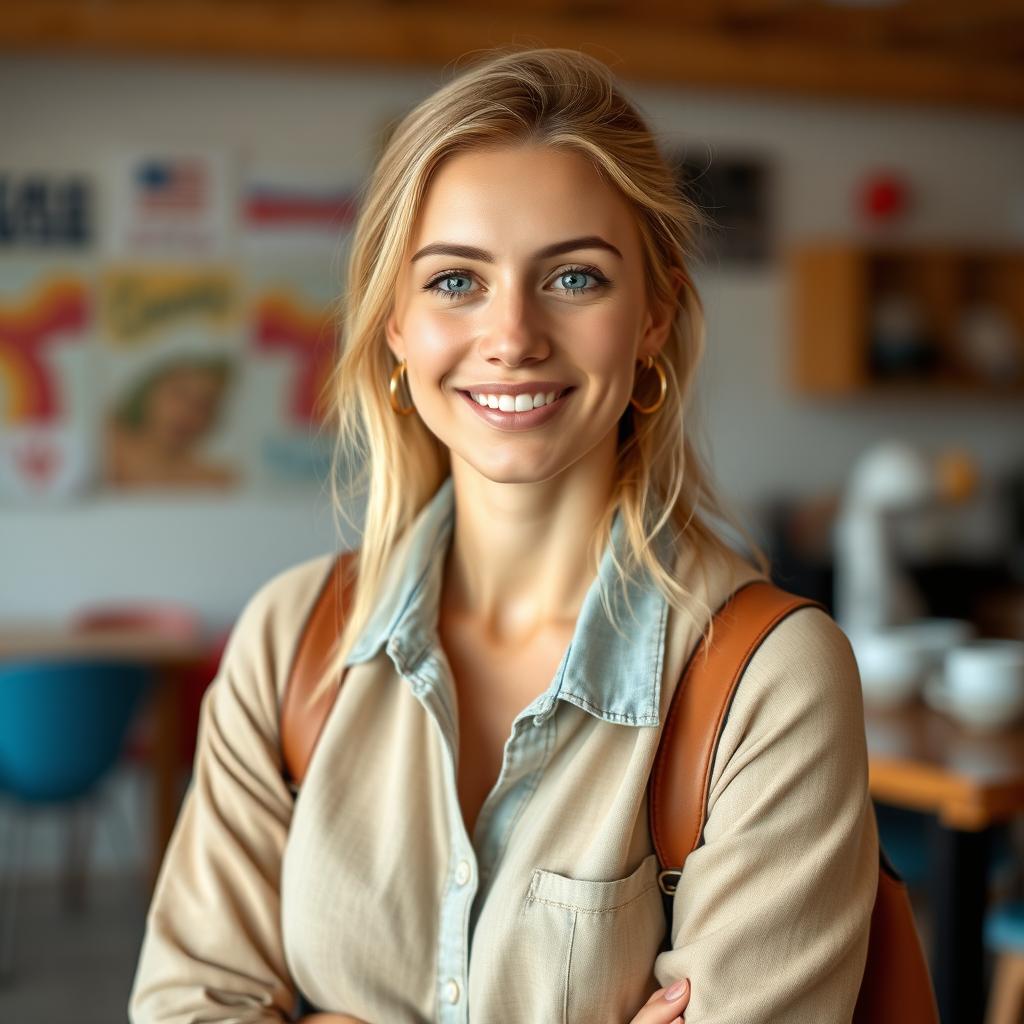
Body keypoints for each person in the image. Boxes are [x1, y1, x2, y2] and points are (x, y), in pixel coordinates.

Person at [129, 47, 878, 1024]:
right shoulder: (287, 644)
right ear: (393, 323)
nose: (513, 333)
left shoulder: (770, 682)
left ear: (653, 315)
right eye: (454, 281)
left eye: (573, 276)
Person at [106, 353, 237, 488]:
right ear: (149, 390)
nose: (186, 412)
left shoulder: (215, 481)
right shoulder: (105, 441)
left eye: (203, 406)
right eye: (179, 394)